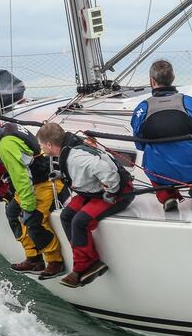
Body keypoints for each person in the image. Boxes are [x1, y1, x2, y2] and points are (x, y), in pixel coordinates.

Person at [0, 114, 67, 278]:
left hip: (44, 184)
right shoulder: (8, 128)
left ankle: (55, 262)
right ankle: (34, 257)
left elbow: (22, 177)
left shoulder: (5, 146)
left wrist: (28, 206)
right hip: (35, 183)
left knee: (33, 220)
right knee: (12, 212)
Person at [37, 122, 134, 288]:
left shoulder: (76, 158)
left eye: (41, 145)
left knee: (79, 221)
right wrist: (62, 173)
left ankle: (83, 266)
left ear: (48, 144)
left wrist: (112, 190)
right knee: (66, 216)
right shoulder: (69, 150)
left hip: (117, 194)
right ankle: (87, 259)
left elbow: (103, 168)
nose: (41, 148)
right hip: (91, 192)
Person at [131, 59, 192, 212]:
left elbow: (139, 144)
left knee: (150, 161)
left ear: (152, 81)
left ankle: (167, 196)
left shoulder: (143, 108)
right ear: (173, 79)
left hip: (160, 172)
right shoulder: (190, 103)